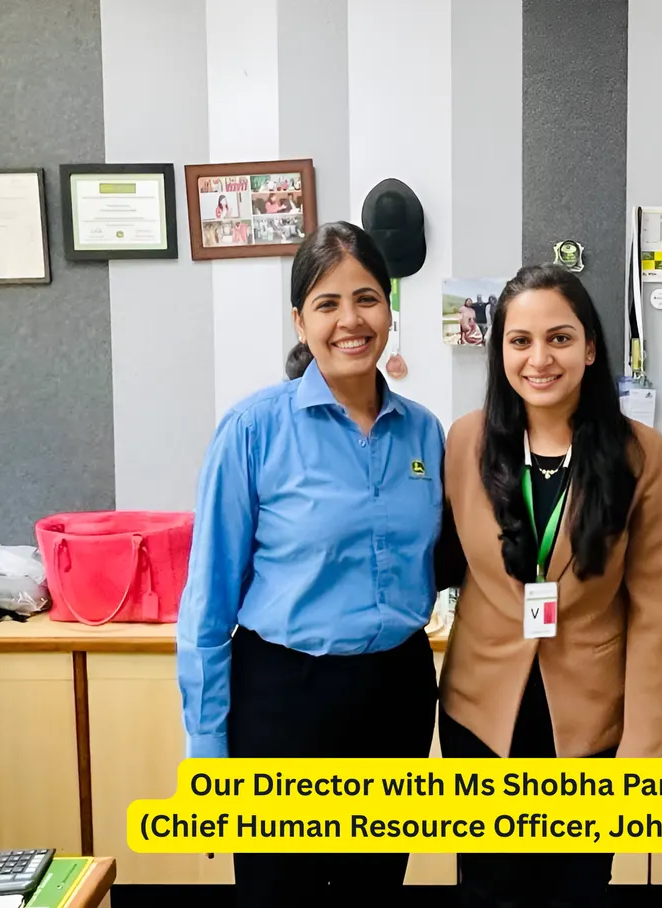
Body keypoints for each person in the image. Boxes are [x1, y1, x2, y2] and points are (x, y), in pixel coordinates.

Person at [177, 221, 445, 907]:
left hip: (396, 693)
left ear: (389, 309)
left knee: (373, 893)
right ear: (300, 321)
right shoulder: (253, 429)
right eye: (328, 304)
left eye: (367, 299)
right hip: (283, 700)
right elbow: (206, 604)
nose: (350, 320)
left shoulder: (425, 432)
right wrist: (206, 751)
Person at [436, 263, 662, 908]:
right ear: (500, 351)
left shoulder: (639, 453)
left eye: (560, 338)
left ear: (590, 348)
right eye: (520, 341)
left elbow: (654, 611)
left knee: (578, 890)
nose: (539, 359)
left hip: (590, 723)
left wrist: (642, 748)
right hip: (482, 716)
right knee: (488, 890)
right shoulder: (464, 441)